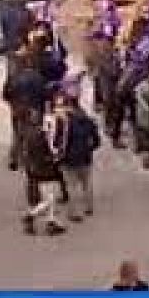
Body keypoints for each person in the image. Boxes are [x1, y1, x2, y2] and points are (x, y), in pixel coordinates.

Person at [52, 94, 101, 223]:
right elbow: (96, 141)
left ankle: (73, 212)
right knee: (87, 182)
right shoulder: (88, 119)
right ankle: (89, 207)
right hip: (85, 156)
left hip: (69, 158)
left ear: (68, 106)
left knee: (71, 186)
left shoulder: (63, 121)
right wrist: (89, 149)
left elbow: (57, 141)